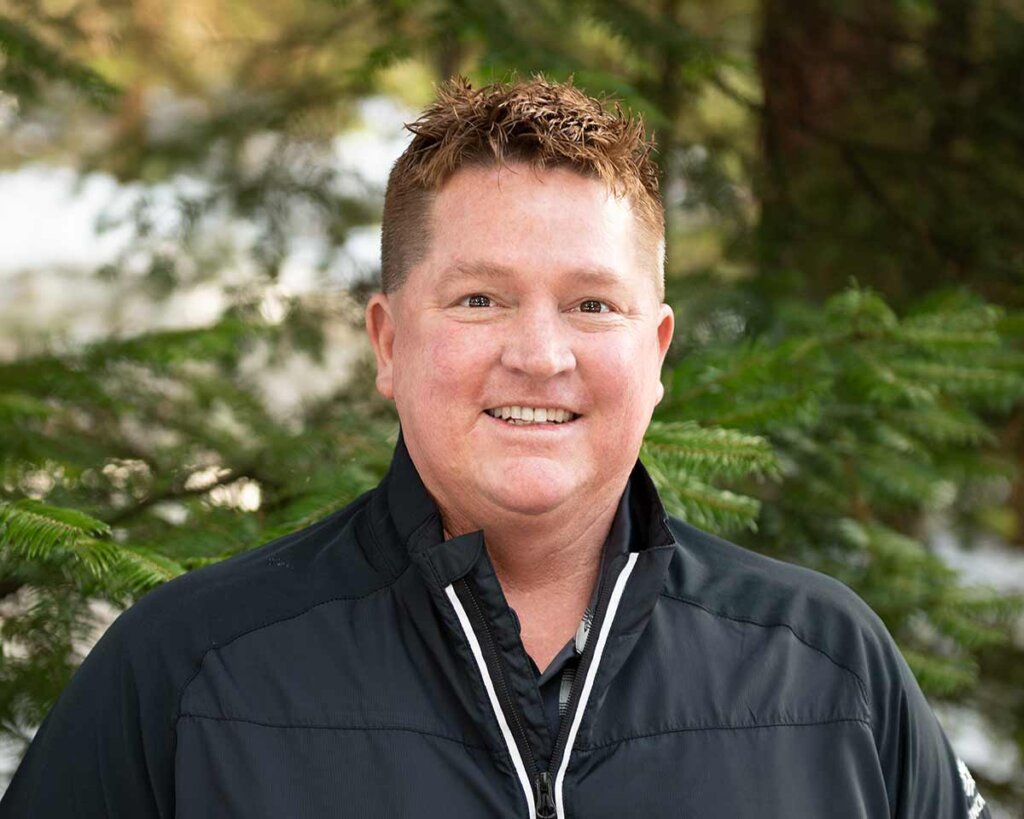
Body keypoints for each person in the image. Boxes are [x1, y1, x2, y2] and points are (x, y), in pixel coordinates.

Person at [0, 76, 990, 819]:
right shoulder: (187, 674)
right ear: (388, 342)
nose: (539, 355)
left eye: (592, 304)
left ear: (656, 354)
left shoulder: (825, 672)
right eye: (480, 299)